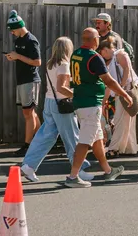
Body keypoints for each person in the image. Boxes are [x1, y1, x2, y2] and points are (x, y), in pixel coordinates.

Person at [20, 37, 92, 184]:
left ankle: (29, 165)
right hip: (62, 105)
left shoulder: (50, 64)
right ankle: (79, 170)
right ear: (67, 49)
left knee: (45, 136)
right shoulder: (64, 65)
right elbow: (61, 88)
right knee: (72, 137)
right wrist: (78, 94)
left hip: (49, 102)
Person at [66, 28, 130, 187]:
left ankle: (108, 171)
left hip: (81, 101)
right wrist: (125, 94)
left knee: (97, 139)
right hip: (90, 104)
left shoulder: (76, 54)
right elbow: (109, 81)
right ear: (94, 40)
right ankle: (73, 177)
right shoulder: (94, 57)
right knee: (85, 141)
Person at [4, 11, 41, 157]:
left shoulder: (31, 40)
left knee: (28, 112)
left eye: (13, 30)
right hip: (21, 79)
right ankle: (41, 140)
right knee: (29, 111)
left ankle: (28, 145)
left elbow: (37, 62)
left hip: (30, 79)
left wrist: (18, 56)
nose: (12, 33)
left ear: (19, 27)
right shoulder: (18, 40)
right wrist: (13, 57)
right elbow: (22, 58)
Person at [102, 34, 138, 156]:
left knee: (119, 119)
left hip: (126, 90)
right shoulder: (113, 58)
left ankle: (114, 148)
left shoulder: (120, 54)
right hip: (123, 91)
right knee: (126, 120)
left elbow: (127, 70)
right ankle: (129, 148)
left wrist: (121, 89)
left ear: (106, 49)